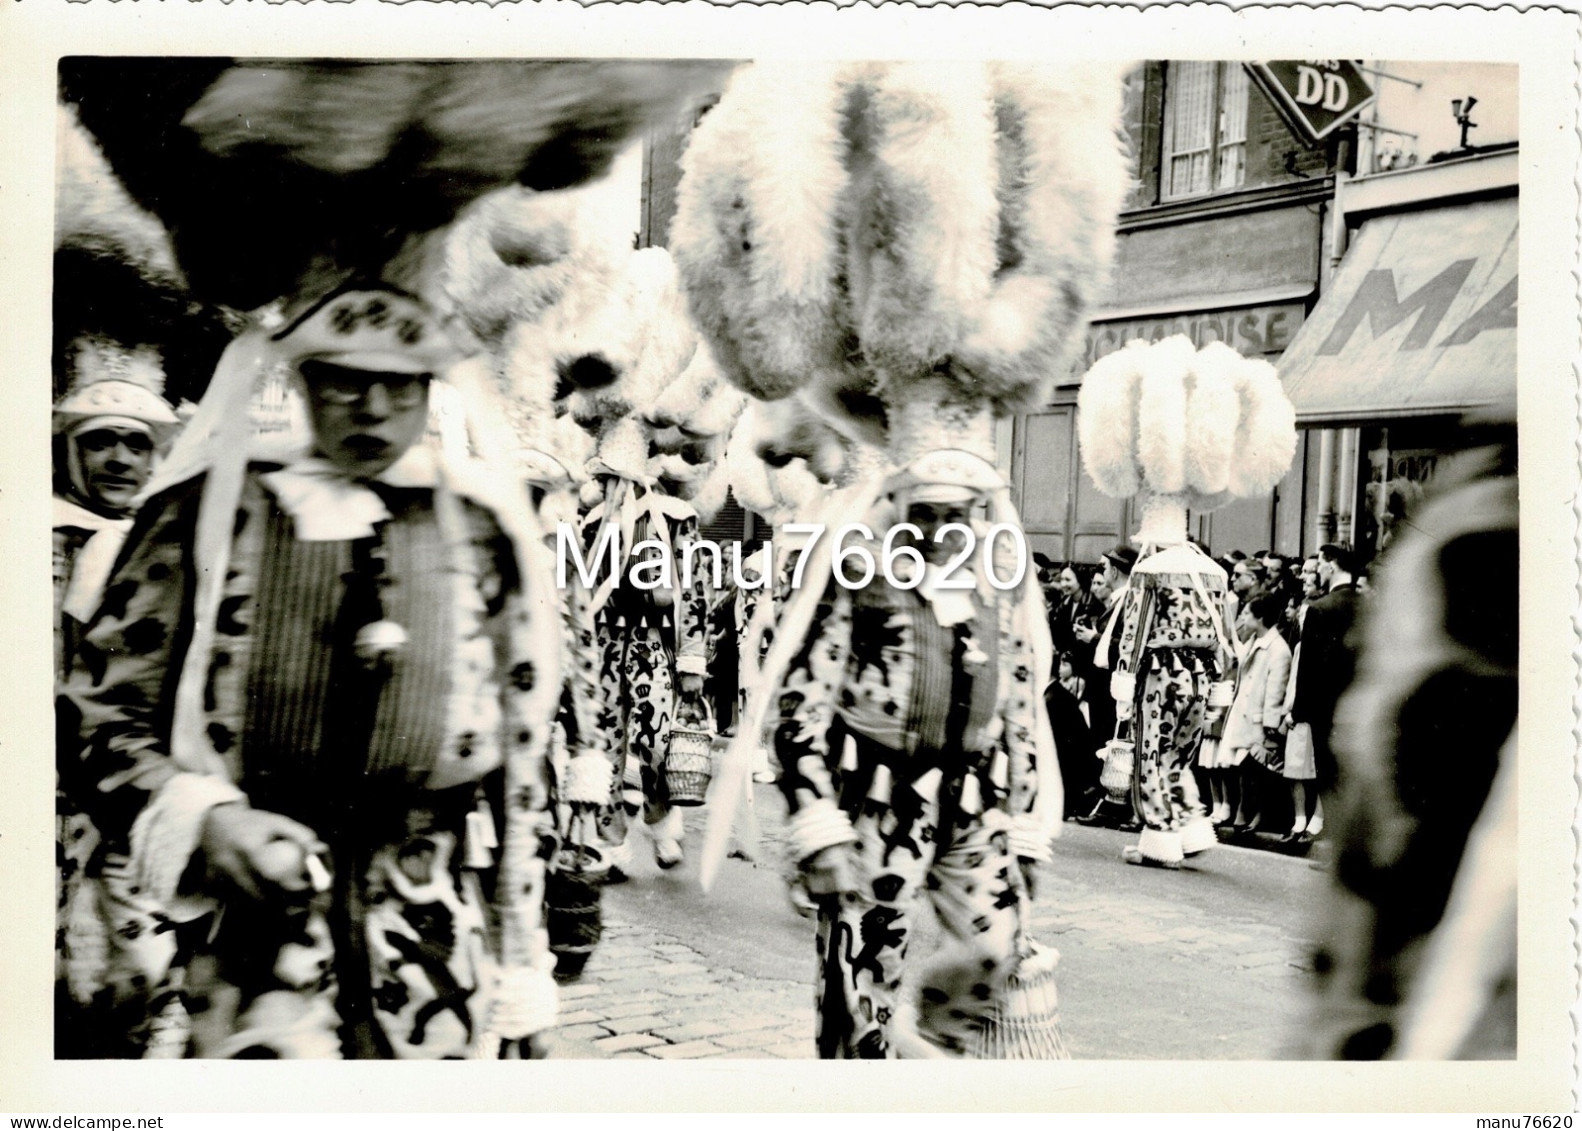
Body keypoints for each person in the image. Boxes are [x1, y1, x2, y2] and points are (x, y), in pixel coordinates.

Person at [57, 288, 563, 1059]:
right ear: (301, 377)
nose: (373, 407)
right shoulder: (210, 510)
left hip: (436, 956)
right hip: (253, 956)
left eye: (401, 382)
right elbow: (97, 708)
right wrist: (208, 818)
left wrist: (524, 962)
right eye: (345, 379)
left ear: (430, 387)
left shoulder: (481, 528)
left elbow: (524, 762)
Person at [772, 461, 1046, 1058]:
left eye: (956, 515)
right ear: (899, 509)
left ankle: (927, 1057)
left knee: (996, 947)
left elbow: (1020, 708)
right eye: (926, 512)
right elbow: (800, 706)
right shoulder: (854, 574)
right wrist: (817, 826)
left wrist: (1024, 822)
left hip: (974, 803)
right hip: (877, 803)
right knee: (860, 984)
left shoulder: (997, 587)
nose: (940, 529)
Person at [1290, 543, 1362, 797]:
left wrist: (1299, 710)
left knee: (1328, 772)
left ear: (1331, 566)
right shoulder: (1367, 605)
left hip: (1325, 704)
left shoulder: (1320, 608)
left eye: (1320, 563)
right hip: (1357, 700)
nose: (1318, 569)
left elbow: (1308, 665)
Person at [1221, 593, 1293, 835]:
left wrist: (1270, 724)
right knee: (1244, 768)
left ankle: (1255, 814)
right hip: (1245, 712)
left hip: (1258, 719)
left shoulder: (1278, 649)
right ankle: (1244, 812)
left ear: (1260, 618)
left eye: (1247, 614)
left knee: (1258, 771)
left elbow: (1275, 690)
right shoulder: (1254, 640)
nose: (1243, 617)